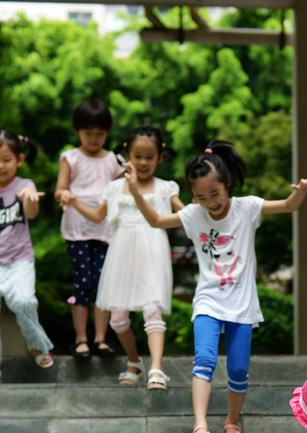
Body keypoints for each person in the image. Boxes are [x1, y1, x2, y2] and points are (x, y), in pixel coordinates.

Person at [126, 139, 307, 433]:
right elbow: (156, 221)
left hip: (241, 305)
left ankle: (231, 422)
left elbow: (286, 205)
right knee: (204, 359)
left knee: (239, 369)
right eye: (201, 197)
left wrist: (301, 191)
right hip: (208, 301)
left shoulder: (248, 207)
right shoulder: (193, 214)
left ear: (228, 183)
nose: (210, 203)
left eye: (215, 194)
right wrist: (136, 191)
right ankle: (200, 427)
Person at [60, 125, 184, 389]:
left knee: (153, 311)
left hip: (152, 250)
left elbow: (184, 215)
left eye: (149, 157)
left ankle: (157, 369)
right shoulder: (115, 187)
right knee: (118, 319)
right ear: (127, 155)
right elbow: (97, 216)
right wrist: (74, 203)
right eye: (137, 156)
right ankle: (134, 361)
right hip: (121, 252)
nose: (143, 162)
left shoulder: (165, 188)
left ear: (160, 158)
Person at [54, 100, 123, 360]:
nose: (94, 139)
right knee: (83, 283)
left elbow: (121, 190)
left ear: (107, 132)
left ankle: (101, 339)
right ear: (77, 131)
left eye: (100, 134)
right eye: (88, 133)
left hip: (106, 231)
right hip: (78, 231)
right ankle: (81, 339)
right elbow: (60, 189)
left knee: (103, 285)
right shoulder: (70, 157)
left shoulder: (113, 161)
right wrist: (65, 196)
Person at [0, 129, 54, 379]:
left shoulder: (24, 185)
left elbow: (31, 213)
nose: (1, 166)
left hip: (19, 260)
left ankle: (38, 345)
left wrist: (30, 200)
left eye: (6, 160)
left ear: (19, 160)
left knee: (22, 301)